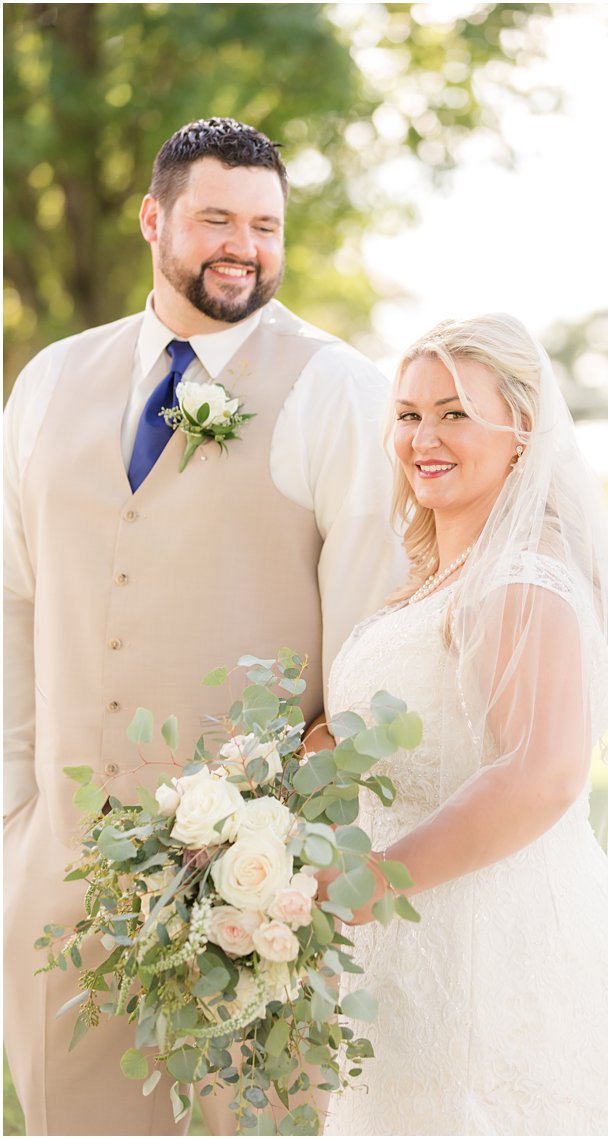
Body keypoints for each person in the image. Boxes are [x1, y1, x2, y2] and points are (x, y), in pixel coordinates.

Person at [2, 117, 403, 1134]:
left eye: (265, 225)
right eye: (216, 218)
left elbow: (369, 636)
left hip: (248, 883)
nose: (244, 246)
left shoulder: (336, 389)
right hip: (58, 862)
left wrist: (306, 838)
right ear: (153, 220)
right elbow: (11, 597)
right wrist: (14, 818)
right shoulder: (48, 380)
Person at [317, 314, 608, 1135]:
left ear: (520, 428)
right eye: (410, 414)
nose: (424, 437)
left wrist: (369, 882)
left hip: (492, 941)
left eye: (455, 413)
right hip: (407, 941)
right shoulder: (439, 575)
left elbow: (544, 774)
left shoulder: (523, 578)